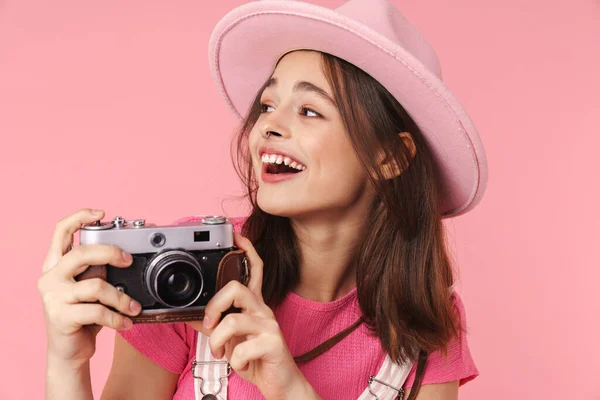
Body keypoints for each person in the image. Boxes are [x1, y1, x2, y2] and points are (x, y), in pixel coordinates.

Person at [38, 0, 488, 399]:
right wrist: (67, 364)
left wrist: (287, 388)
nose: (268, 126)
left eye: (310, 110)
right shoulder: (189, 268)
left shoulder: (429, 322)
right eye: (267, 105)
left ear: (389, 156)